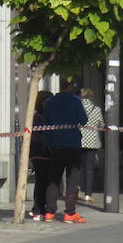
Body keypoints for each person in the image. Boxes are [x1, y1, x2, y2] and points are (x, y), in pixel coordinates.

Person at [42, 79, 88, 223]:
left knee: (53, 179)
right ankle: (69, 213)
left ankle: (49, 212)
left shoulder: (50, 102)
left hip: (55, 144)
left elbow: (46, 123)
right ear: (70, 86)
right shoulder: (75, 101)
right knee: (72, 179)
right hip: (73, 144)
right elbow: (84, 120)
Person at [28, 91, 53, 221]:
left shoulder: (48, 116)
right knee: (41, 181)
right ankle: (38, 208)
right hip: (40, 152)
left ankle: (39, 208)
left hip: (46, 152)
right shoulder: (38, 117)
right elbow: (36, 137)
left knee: (46, 182)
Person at [78, 87, 104, 203]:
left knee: (76, 167)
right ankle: (88, 194)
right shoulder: (96, 109)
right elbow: (102, 124)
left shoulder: (77, 107)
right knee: (89, 168)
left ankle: (76, 190)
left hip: (78, 140)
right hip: (92, 142)